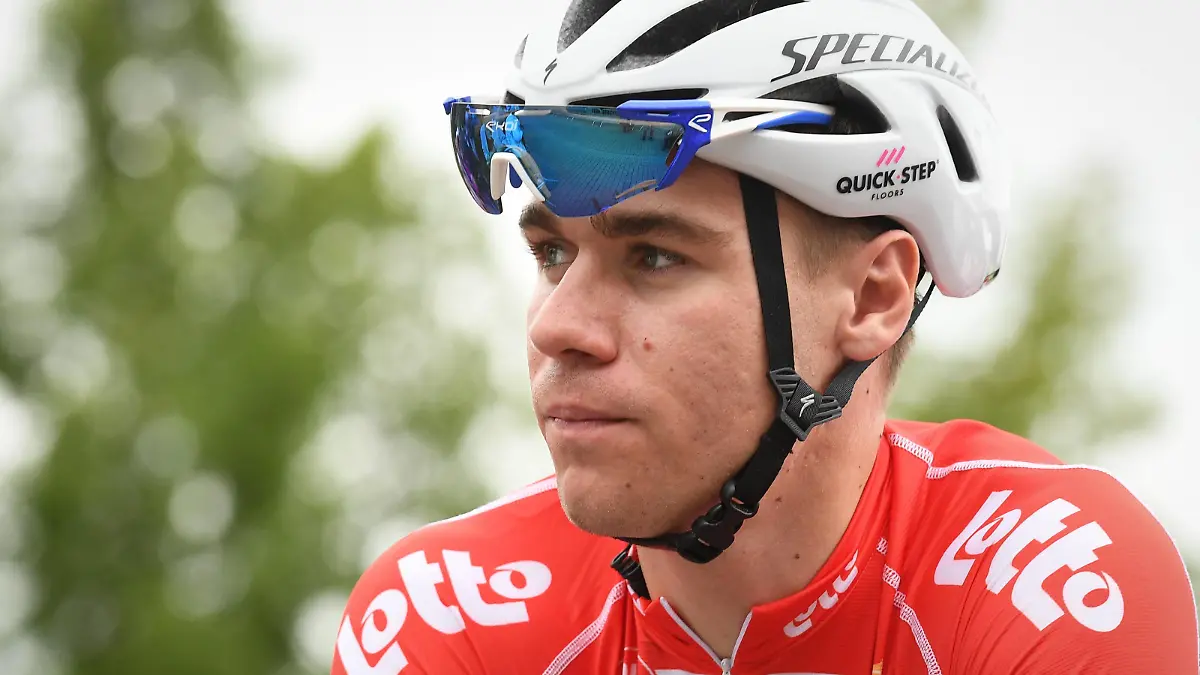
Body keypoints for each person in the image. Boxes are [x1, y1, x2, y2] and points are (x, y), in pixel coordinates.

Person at [333, 1, 1199, 673]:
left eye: (654, 257)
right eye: (553, 254)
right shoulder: (449, 614)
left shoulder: (1053, 580)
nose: (557, 327)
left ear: (873, 295)